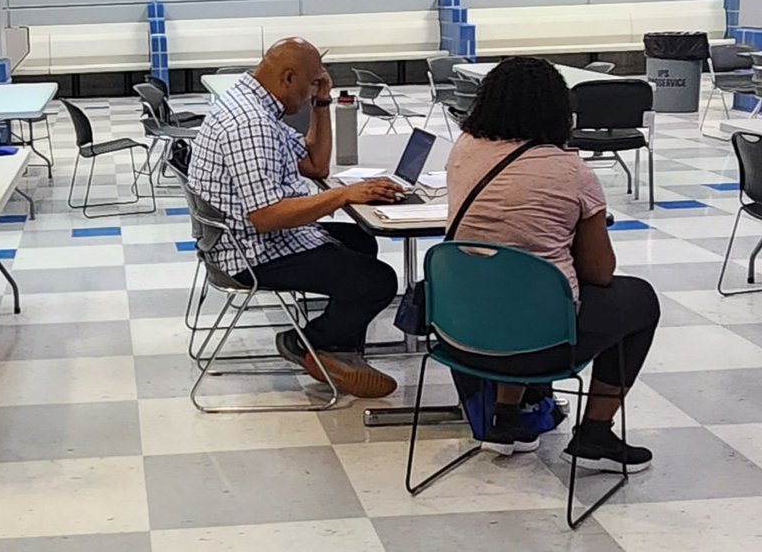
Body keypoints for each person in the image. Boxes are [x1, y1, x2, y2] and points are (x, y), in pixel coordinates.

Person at [443, 57, 659, 472]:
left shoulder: (464, 149)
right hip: (537, 345)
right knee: (640, 300)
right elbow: (600, 272)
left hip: (459, 331)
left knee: (508, 286)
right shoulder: (570, 170)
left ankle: (508, 420)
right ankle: (596, 434)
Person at [187, 37, 402, 398]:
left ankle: (338, 351)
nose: (309, 94)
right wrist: (344, 194)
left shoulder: (253, 104)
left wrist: (321, 103)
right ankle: (306, 344)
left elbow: (316, 164)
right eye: (310, 84)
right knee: (377, 281)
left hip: (247, 240)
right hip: (250, 253)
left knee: (361, 241)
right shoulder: (250, 124)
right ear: (288, 78)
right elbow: (266, 217)